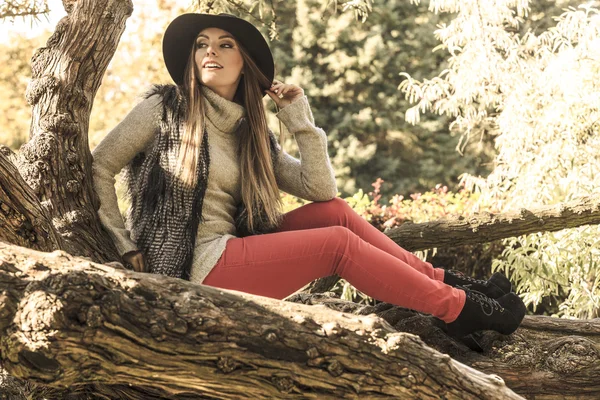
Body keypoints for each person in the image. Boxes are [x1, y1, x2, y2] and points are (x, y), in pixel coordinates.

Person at [91, 13, 526, 339]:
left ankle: (445, 282)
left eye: (225, 45)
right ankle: (458, 309)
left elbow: (321, 190)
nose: (210, 51)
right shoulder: (164, 110)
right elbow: (102, 164)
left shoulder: (251, 132)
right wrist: (124, 242)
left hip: (234, 248)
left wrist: (299, 118)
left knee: (336, 213)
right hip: (191, 265)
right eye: (202, 44)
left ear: (244, 62)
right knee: (337, 245)